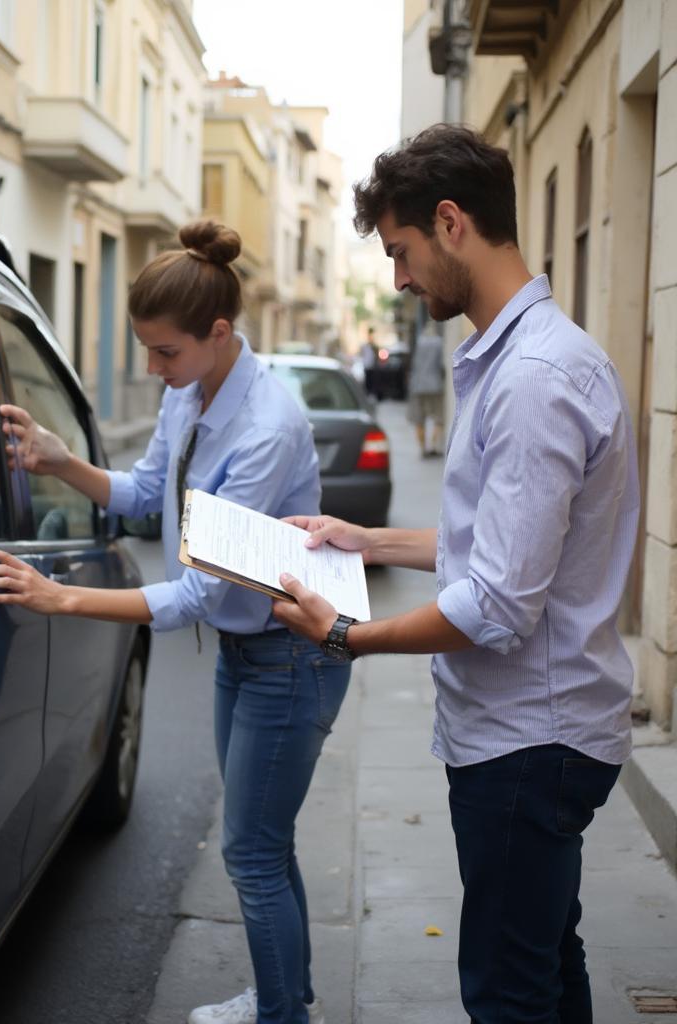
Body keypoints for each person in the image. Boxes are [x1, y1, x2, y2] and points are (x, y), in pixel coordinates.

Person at [271, 125, 638, 1024]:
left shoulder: (533, 379)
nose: (397, 278)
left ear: (450, 222)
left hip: (527, 739)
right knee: (549, 961)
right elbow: (498, 545)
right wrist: (365, 540)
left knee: (509, 993)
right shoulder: (524, 359)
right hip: (539, 732)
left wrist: (346, 635)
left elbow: (501, 600)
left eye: (400, 252)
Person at [0, 221, 349, 1024]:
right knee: (264, 844)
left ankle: (283, 1015)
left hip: (293, 657)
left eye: (165, 352)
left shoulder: (266, 430)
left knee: (250, 850)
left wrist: (59, 597)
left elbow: (196, 598)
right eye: (145, 351)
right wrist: (58, 459)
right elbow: (147, 492)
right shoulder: (195, 392)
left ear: (218, 334)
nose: (153, 370)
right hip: (249, 653)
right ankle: (287, 999)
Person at [407, 329, 445, 456]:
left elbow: (413, 364)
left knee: (419, 419)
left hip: (418, 385)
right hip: (435, 384)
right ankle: (434, 446)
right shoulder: (439, 342)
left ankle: (423, 449)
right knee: (439, 418)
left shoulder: (418, 342)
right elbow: (441, 363)